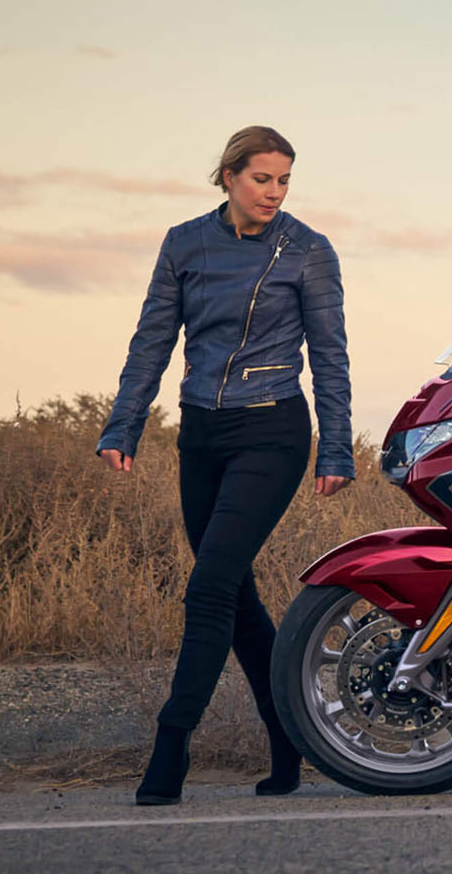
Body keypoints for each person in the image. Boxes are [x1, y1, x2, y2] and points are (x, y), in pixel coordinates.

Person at [97, 126, 354, 805]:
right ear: (229, 176)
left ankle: (171, 746)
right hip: (201, 435)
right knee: (235, 597)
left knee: (209, 588)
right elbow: (151, 341)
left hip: (271, 432)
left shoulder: (306, 251)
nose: (273, 192)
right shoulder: (184, 242)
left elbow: (330, 357)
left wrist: (335, 446)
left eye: (284, 180)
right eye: (261, 178)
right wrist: (124, 424)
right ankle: (289, 741)